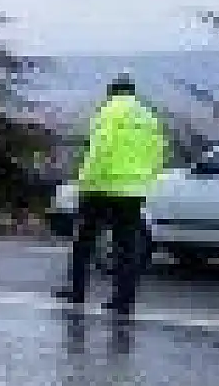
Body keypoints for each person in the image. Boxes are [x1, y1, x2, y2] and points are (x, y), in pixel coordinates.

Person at [55, 74, 167, 316]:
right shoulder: (148, 117)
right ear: (132, 93)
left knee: (84, 240)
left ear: (111, 92)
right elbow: (158, 153)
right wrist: (145, 181)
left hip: (101, 186)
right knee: (127, 246)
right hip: (133, 190)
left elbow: (99, 150)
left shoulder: (109, 113)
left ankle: (76, 290)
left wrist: (84, 183)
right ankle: (123, 300)